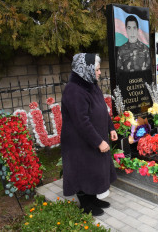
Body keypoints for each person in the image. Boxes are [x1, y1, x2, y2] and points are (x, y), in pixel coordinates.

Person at [61, 53, 117, 216]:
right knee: (83, 171)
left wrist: (111, 128)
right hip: (78, 142)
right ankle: (86, 204)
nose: (100, 72)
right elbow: (81, 121)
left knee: (94, 170)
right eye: (97, 69)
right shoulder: (74, 90)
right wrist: (98, 142)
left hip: (92, 139)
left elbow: (102, 109)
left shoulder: (90, 84)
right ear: (86, 69)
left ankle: (93, 199)